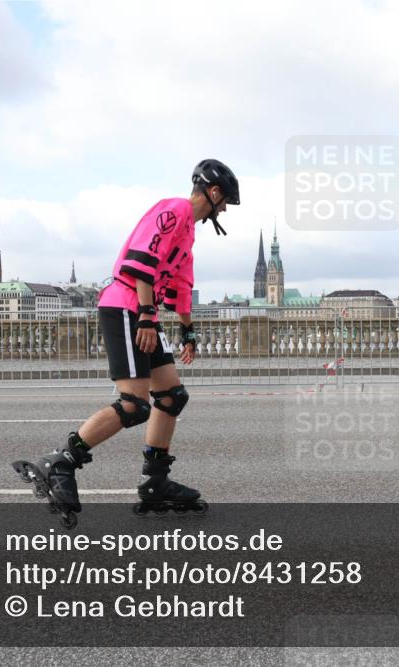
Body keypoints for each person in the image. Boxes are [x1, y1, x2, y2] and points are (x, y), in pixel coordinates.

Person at [15, 159, 240, 520]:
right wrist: (149, 316)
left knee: (171, 396)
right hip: (126, 308)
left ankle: (155, 481)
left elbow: (182, 288)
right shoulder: (174, 210)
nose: (225, 208)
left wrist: (188, 331)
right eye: (226, 201)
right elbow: (141, 261)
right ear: (213, 193)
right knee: (134, 404)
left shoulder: (188, 233)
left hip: (143, 313)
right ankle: (60, 462)